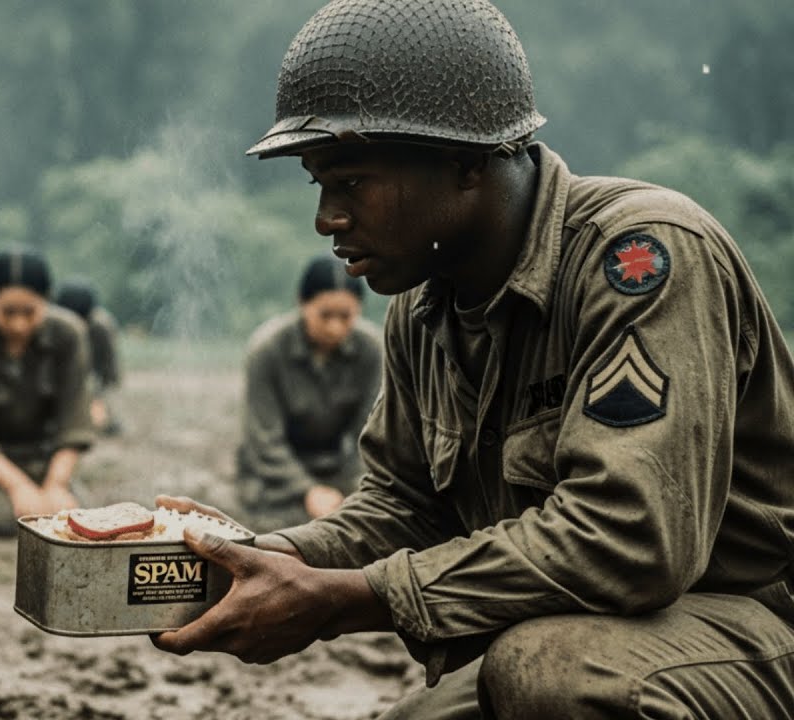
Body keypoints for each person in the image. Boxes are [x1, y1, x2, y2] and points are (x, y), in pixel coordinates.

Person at [152, 1, 794, 717]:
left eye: (352, 181)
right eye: (320, 185)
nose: (326, 218)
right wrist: (271, 558)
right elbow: (406, 506)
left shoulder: (642, 260)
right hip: (586, 635)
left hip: (746, 626)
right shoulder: (423, 310)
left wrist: (343, 602)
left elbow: (631, 541)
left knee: (549, 677)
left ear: (464, 163)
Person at [0, 249, 95, 537]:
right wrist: (18, 487)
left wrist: (56, 485)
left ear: (46, 300)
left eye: (29, 312)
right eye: (8, 312)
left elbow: (74, 420)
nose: (18, 324)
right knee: (11, 522)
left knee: (71, 522)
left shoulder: (69, 335)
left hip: (41, 462)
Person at [235, 255, 383, 532]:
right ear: (302, 303)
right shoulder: (267, 349)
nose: (335, 327)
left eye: (346, 316)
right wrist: (308, 490)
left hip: (339, 469)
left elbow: (372, 433)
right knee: (279, 532)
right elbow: (264, 440)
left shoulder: (371, 350)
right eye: (325, 315)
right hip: (275, 476)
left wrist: (351, 491)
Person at [55, 278, 124, 436]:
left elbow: (107, 373)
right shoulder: (51, 323)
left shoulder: (102, 329)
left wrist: (96, 400)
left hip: (91, 374)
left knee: (100, 421)